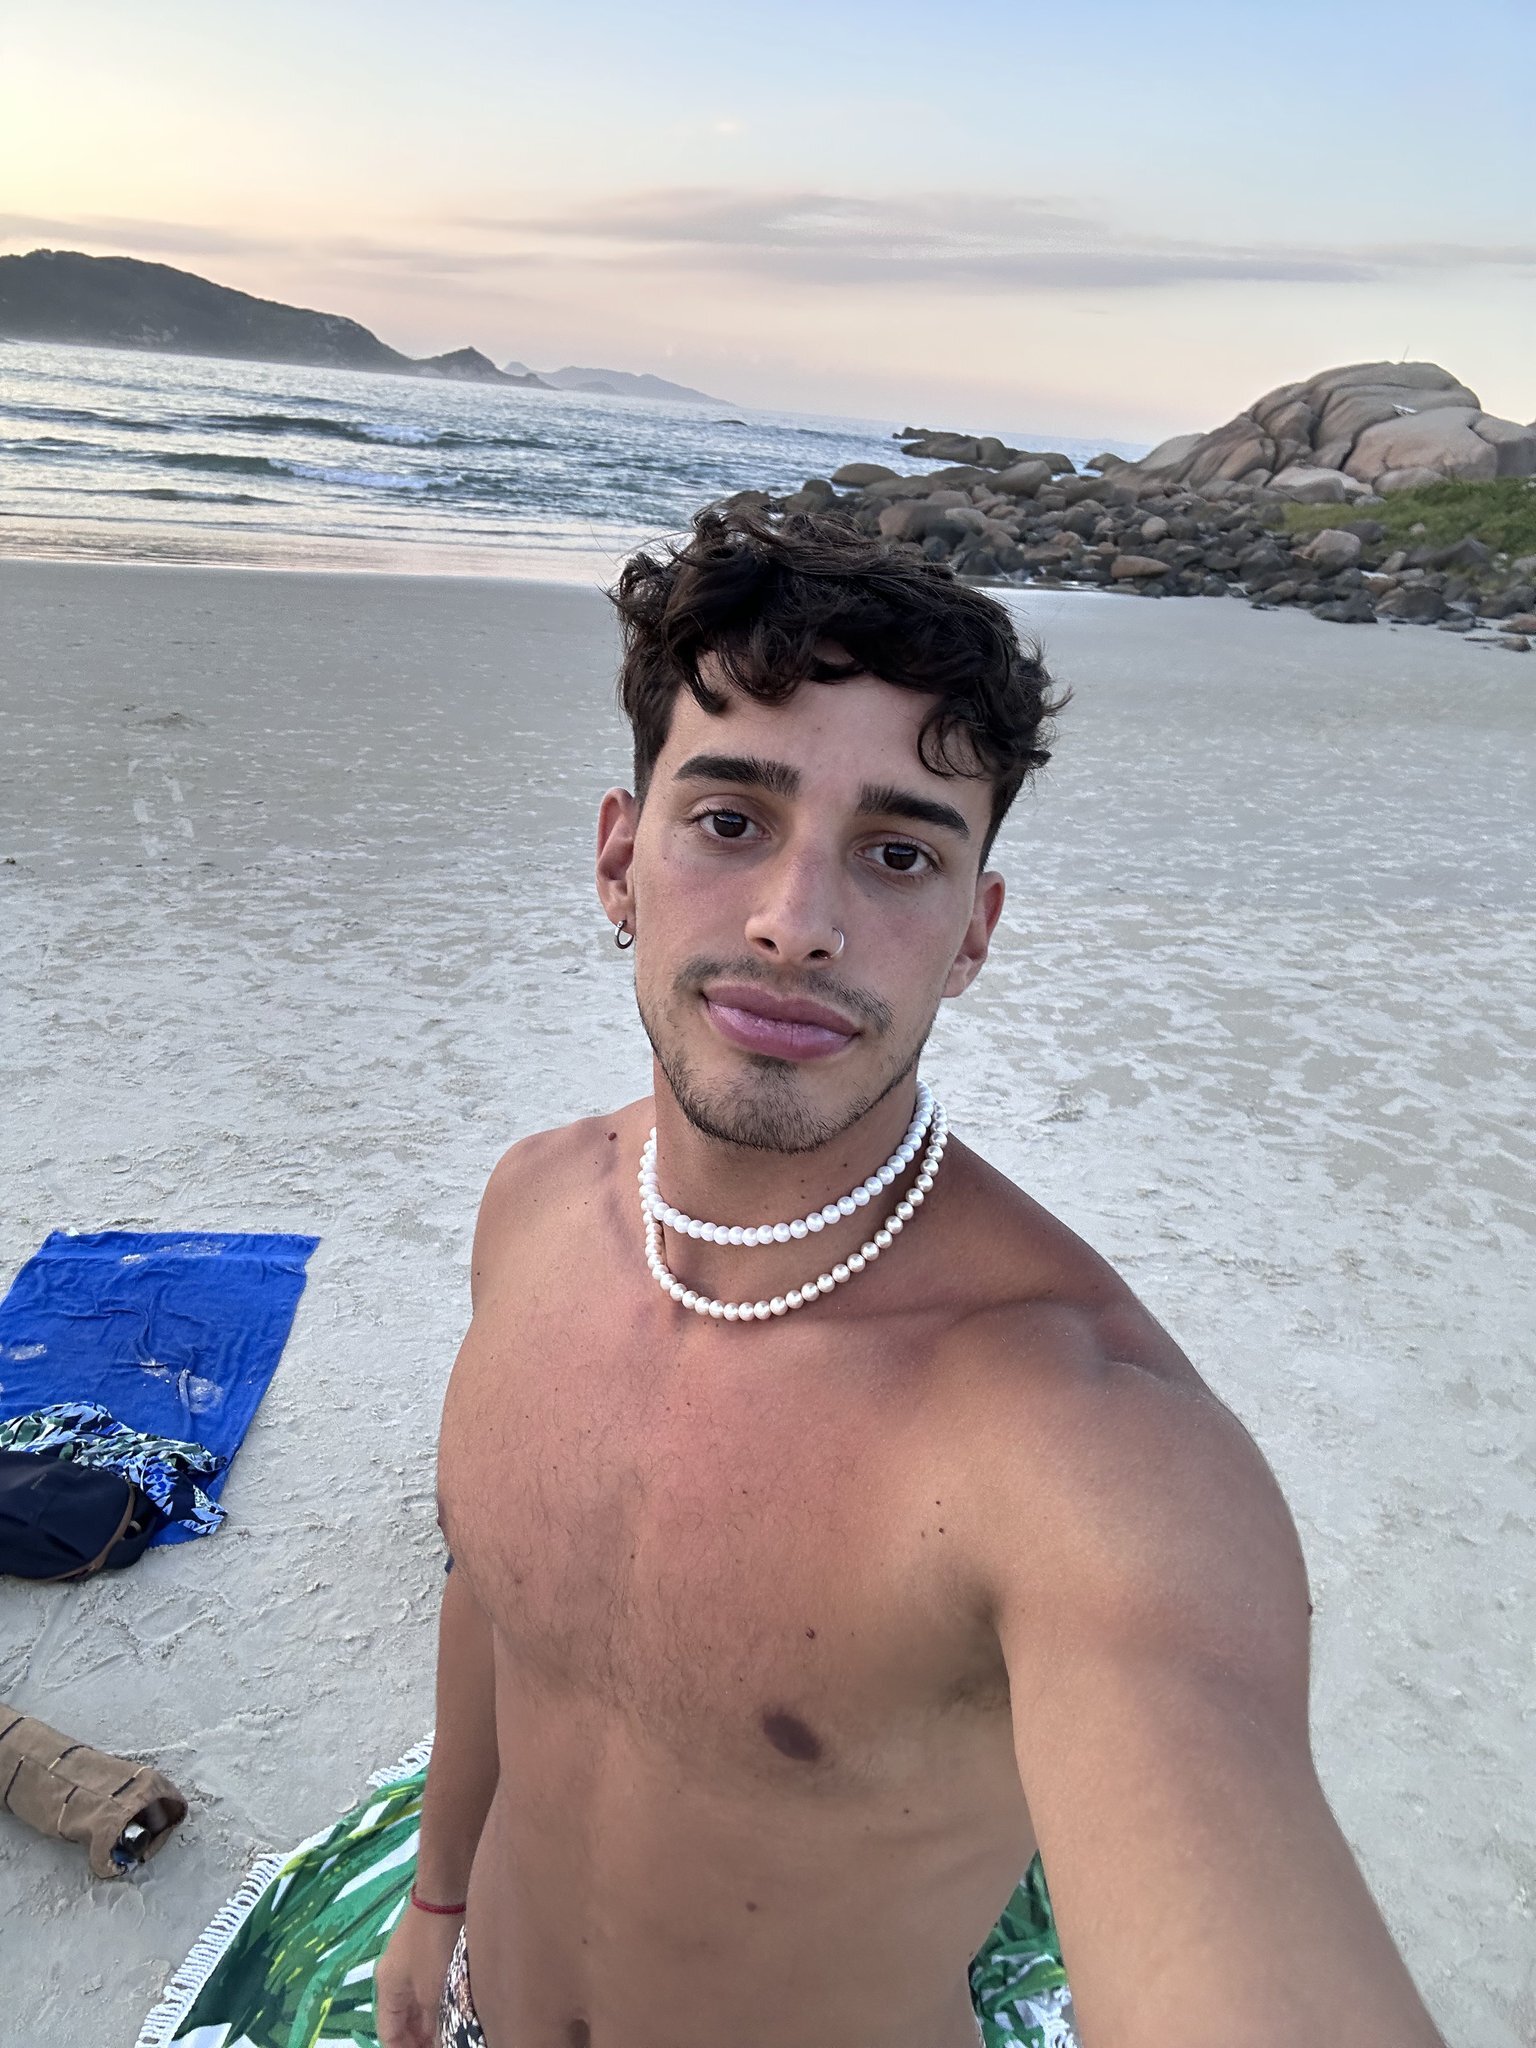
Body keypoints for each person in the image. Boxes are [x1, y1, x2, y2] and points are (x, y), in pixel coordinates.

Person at [375, 510, 1445, 2048]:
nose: (797, 926)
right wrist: (437, 1902)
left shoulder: (1076, 1437)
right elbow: (493, 1602)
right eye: (729, 819)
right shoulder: (531, 1211)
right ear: (619, 857)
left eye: (898, 855)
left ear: (972, 933)